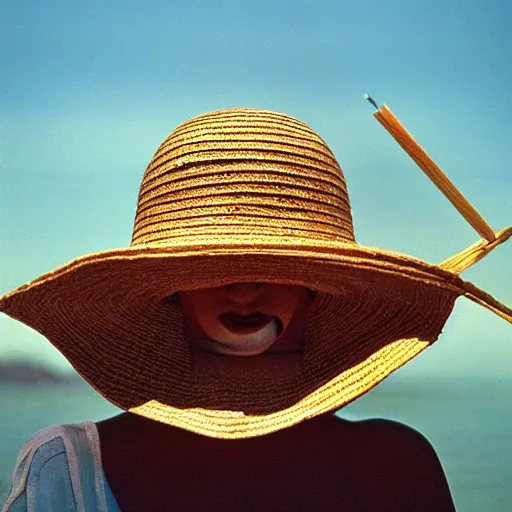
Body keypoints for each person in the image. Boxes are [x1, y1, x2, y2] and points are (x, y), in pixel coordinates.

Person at [1, 107, 510, 511]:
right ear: (171, 291)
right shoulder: (63, 470)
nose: (244, 290)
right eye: (211, 267)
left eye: (275, 266)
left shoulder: (396, 466)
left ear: (318, 290)